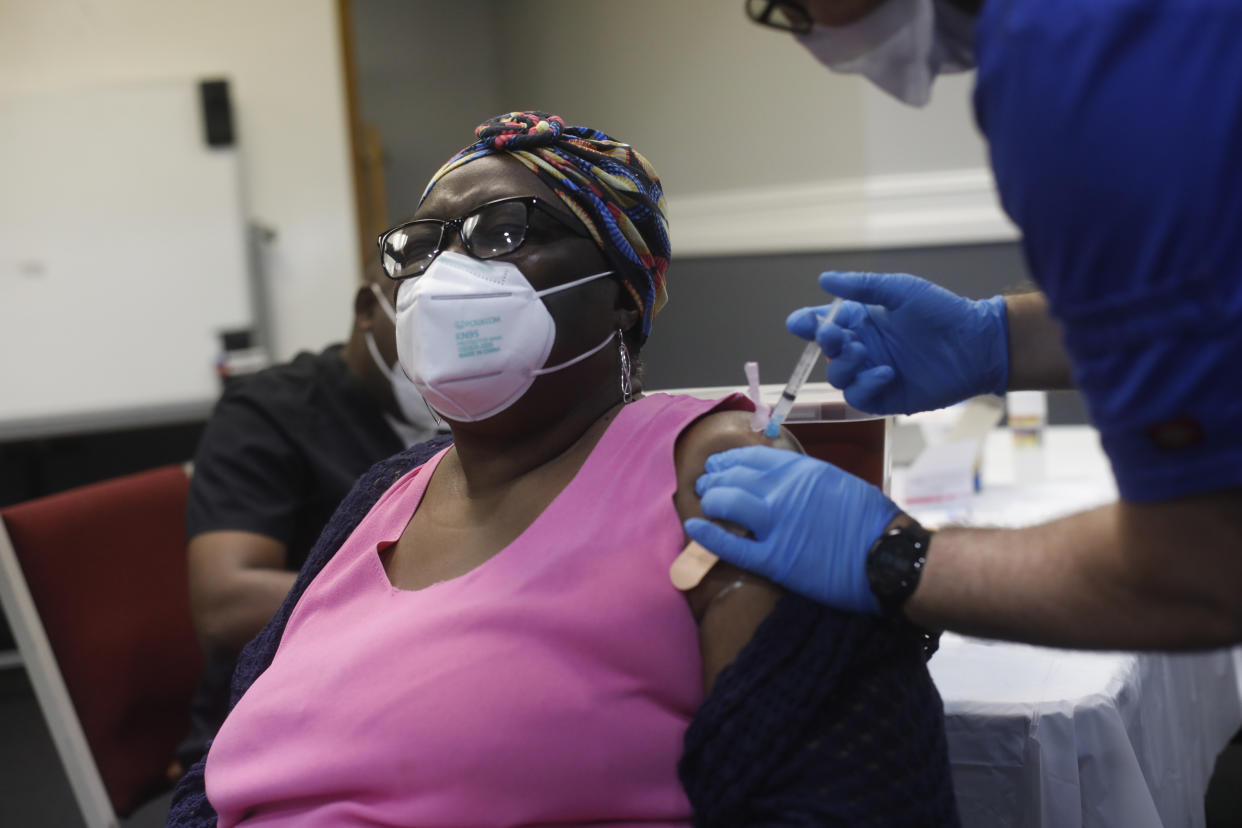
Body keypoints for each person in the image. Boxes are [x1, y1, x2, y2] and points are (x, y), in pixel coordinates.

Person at [167, 111, 958, 827]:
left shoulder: (714, 474)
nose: (446, 277)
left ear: (621, 291)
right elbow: (223, 772)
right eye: (423, 245)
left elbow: (840, 794)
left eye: (504, 233)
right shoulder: (387, 493)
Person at [687, 0, 1242, 650]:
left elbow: (1200, 572)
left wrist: (890, 556)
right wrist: (1000, 341)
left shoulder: (1084, 60)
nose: (799, 21)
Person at [176, 267, 451, 772]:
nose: (446, 352)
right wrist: (441, 608)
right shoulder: (270, 412)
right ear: (368, 310)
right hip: (278, 730)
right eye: (428, 321)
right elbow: (226, 603)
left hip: (417, 703)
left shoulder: (490, 417)